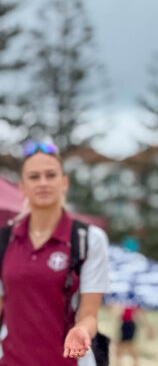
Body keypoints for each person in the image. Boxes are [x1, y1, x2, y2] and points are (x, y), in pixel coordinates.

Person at [0, 141, 110, 365]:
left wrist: (82, 331)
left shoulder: (88, 239)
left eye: (51, 175)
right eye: (34, 176)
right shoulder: (4, 239)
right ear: (22, 186)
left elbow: (89, 315)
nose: (43, 182)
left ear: (64, 182)